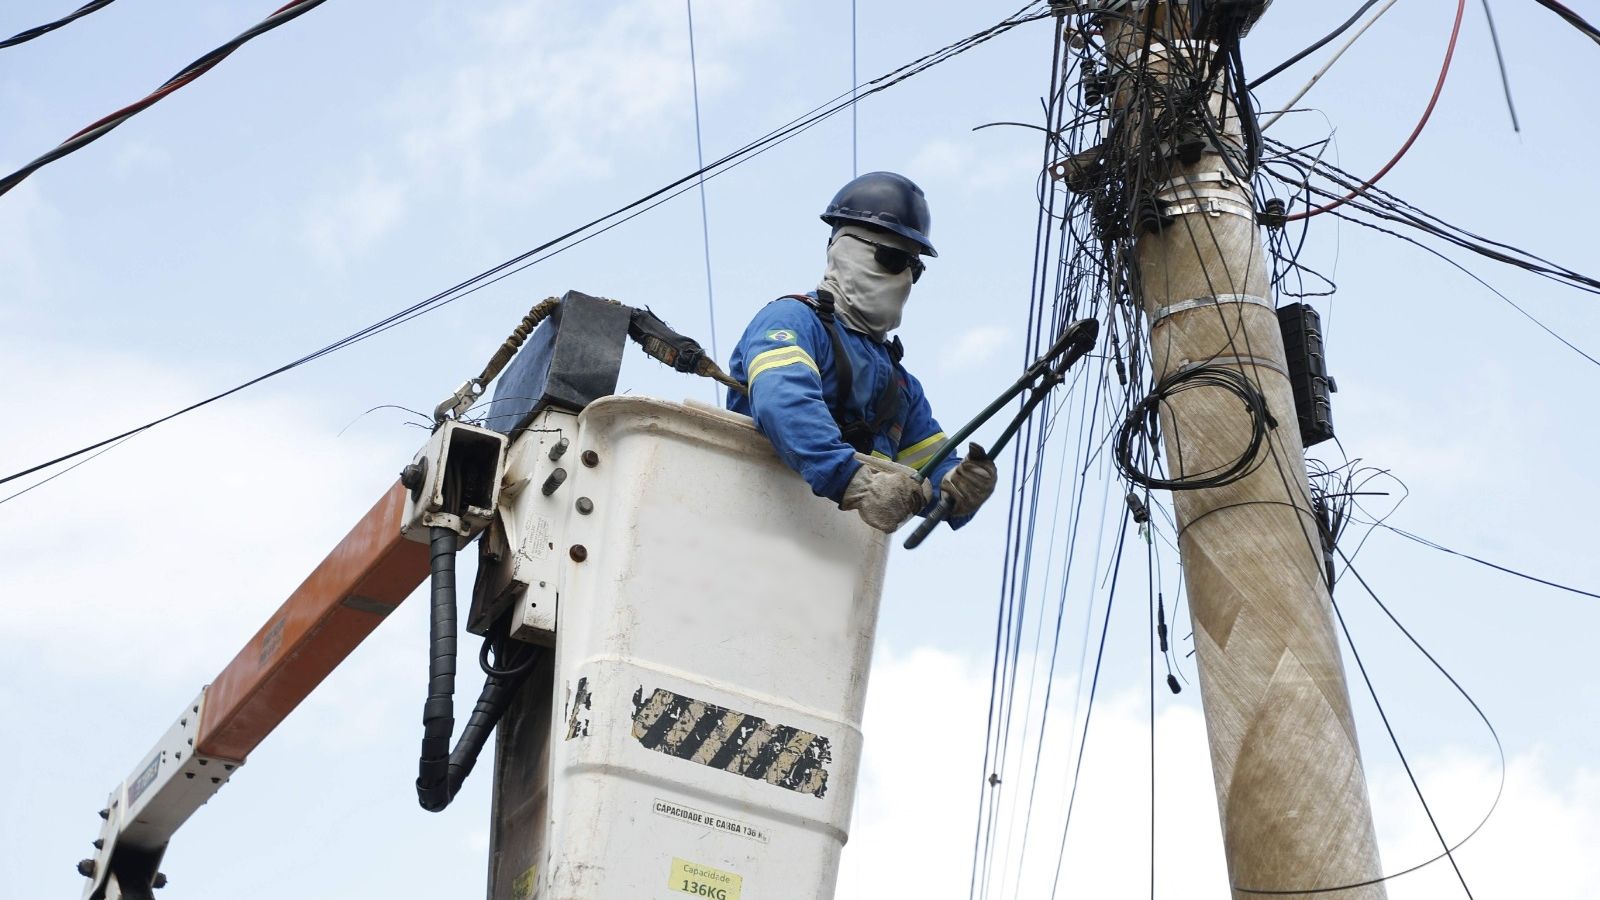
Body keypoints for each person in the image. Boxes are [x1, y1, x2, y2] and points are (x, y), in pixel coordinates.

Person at [726, 171, 997, 534]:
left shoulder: (900, 384)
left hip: (842, 563)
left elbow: (927, 473)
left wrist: (958, 486)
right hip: (750, 531)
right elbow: (783, 401)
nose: (905, 278)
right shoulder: (793, 321)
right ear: (845, 249)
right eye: (892, 259)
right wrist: (858, 484)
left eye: (914, 268)